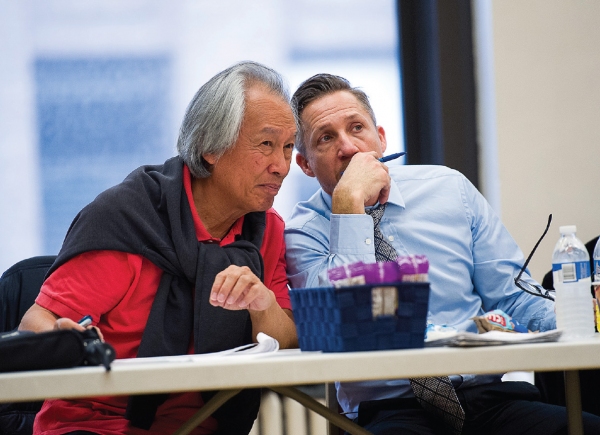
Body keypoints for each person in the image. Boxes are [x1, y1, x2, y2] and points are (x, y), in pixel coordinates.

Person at [284, 73, 600, 435]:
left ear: (381, 138)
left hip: (489, 396)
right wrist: (348, 206)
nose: (349, 147)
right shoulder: (302, 231)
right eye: (326, 138)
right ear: (306, 164)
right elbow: (344, 328)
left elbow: (513, 296)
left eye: (357, 128)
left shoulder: (450, 189)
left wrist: (584, 317)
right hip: (392, 409)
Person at [18, 61, 298, 435]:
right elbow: (35, 325)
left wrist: (262, 305)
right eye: (266, 144)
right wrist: (66, 341)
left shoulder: (266, 230)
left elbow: (287, 340)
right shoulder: (126, 218)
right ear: (211, 147)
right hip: (96, 425)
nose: (281, 165)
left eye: (289, 147)